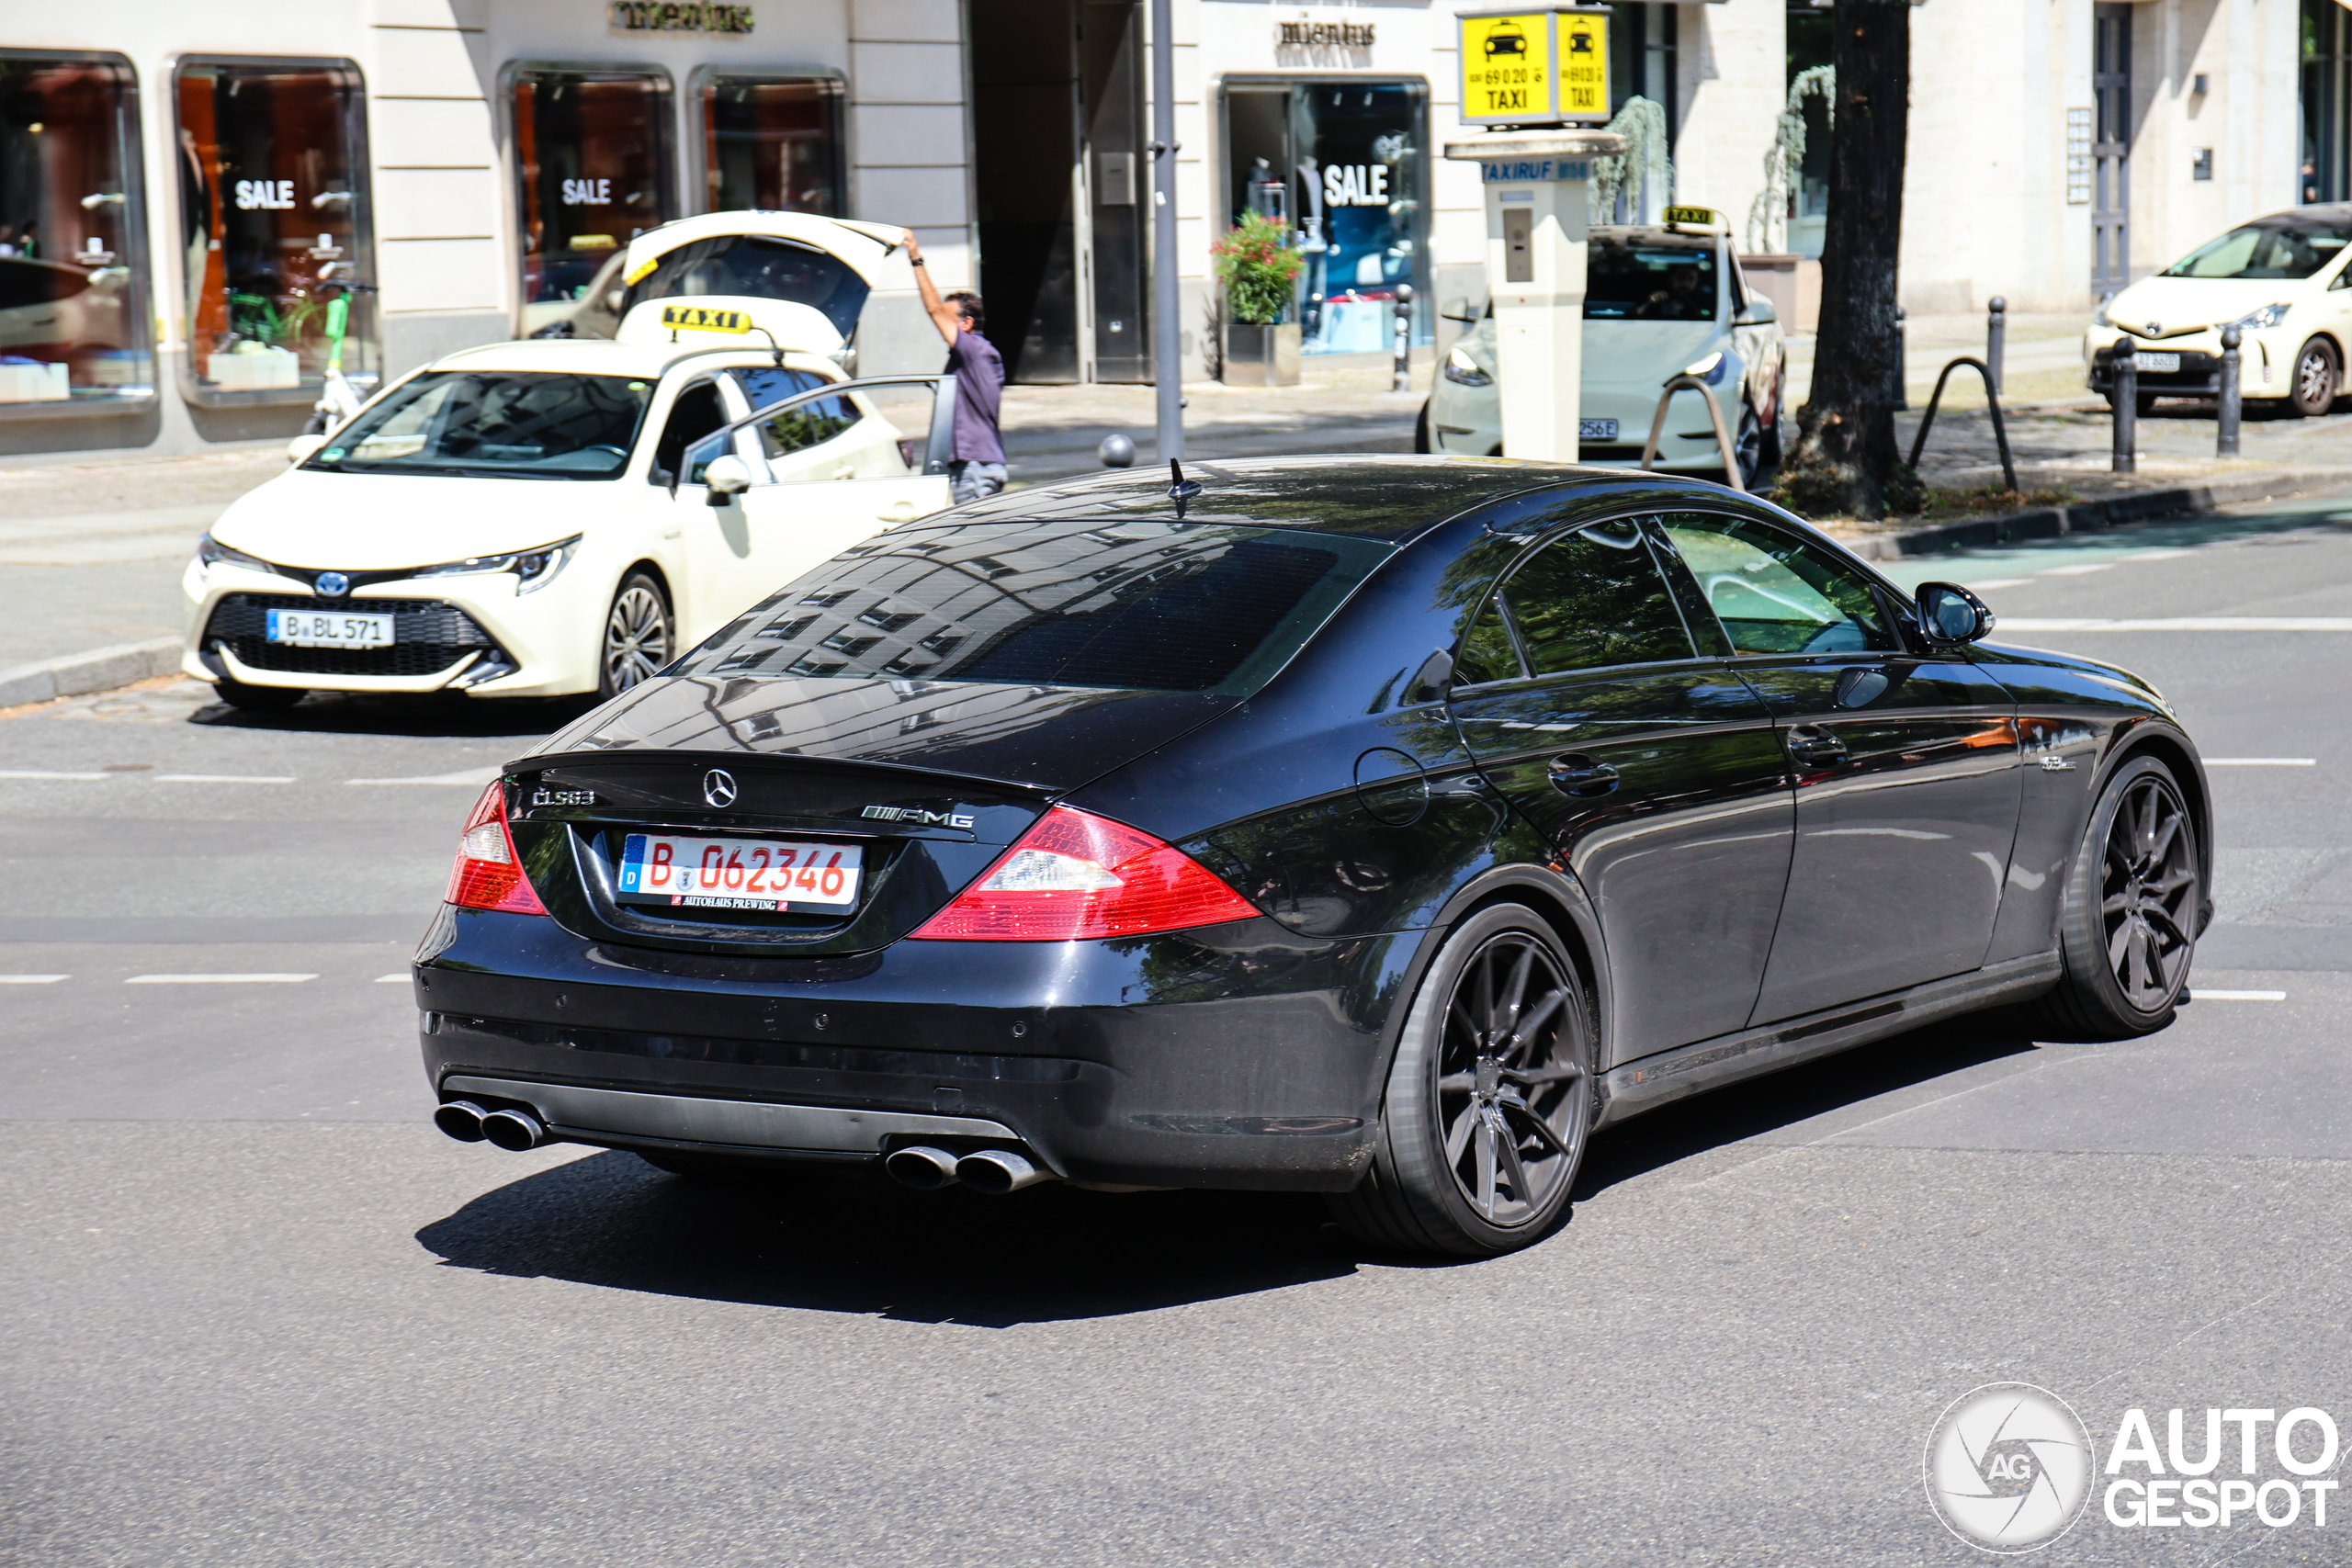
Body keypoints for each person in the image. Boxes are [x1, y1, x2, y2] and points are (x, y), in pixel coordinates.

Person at [900, 230, 1005, 503]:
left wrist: (915, 257)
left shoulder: (974, 351)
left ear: (966, 323)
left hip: (976, 467)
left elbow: (934, 310)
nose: (941, 327)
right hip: (974, 464)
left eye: (948, 321)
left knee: (975, 542)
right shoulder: (975, 355)